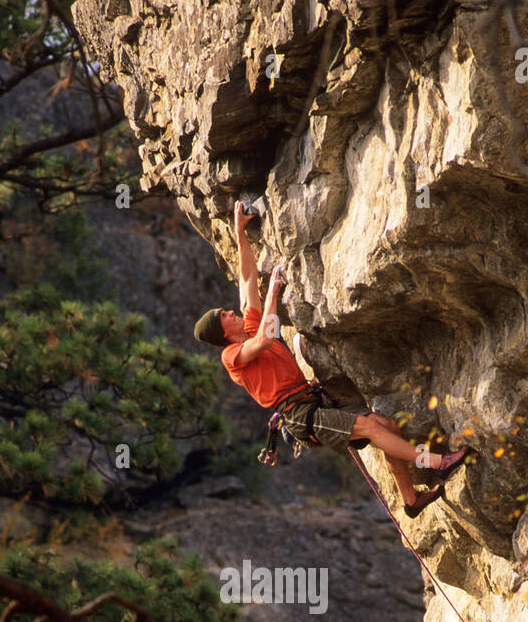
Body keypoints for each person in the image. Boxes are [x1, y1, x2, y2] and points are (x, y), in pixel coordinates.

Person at [193, 200, 467, 517]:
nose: (230, 311)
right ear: (222, 332)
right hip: (298, 414)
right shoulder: (232, 356)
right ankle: (437, 463)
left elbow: (247, 279)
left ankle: (410, 499)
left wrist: (240, 234)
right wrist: (274, 295)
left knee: (385, 425)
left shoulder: (249, 324)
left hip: (311, 400)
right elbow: (265, 340)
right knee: (371, 428)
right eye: (224, 315)